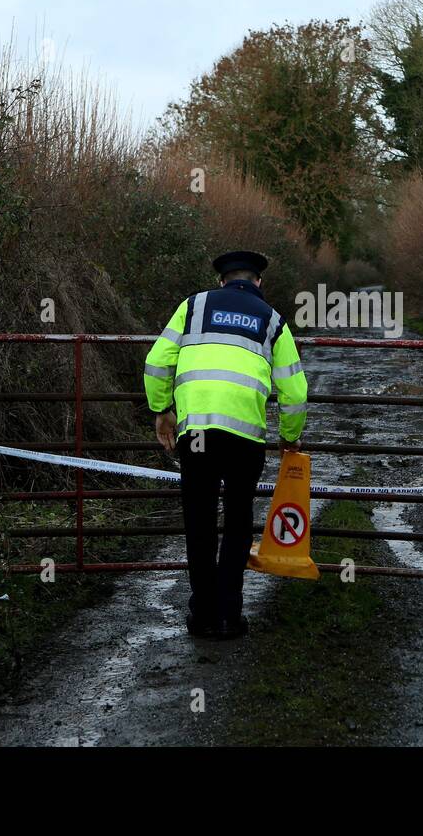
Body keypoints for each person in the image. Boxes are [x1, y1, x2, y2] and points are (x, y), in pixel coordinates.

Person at [142, 251, 308, 639]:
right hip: (245, 436)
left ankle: (201, 615)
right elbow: (295, 391)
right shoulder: (272, 321)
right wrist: (289, 435)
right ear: (258, 282)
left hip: (196, 432)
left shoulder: (193, 306)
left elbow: (155, 362)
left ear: (221, 281)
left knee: (199, 522)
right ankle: (229, 616)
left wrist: (162, 409)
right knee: (236, 524)